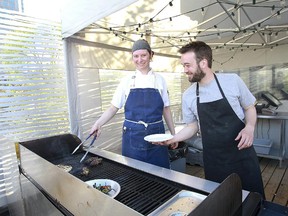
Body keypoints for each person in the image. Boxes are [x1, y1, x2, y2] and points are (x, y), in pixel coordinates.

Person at [158, 41, 265, 198]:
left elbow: (249, 108)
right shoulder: (188, 95)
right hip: (214, 162)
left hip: (242, 156)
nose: (185, 70)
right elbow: (192, 127)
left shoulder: (232, 81)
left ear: (203, 63)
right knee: (222, 203)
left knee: (253, 201)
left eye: (187, 65)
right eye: (183, 66)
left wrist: (249, 127)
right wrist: (172, 139)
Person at [90, 39, 177, 169]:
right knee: (133, 175)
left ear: (151, 55)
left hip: (157, 135)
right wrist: (98, 124)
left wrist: (173, 134)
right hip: (132, 135)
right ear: (132, 58)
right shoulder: (126, 81)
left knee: (161, 174)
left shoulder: (160, 80)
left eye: (143, 55)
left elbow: (166, 109)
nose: (139, 59)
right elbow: (113, 108)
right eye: (136, 56)